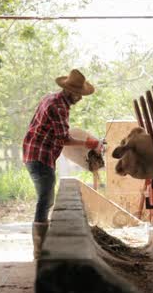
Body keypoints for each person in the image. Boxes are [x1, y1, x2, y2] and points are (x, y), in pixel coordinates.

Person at [22, 69, 102, 259]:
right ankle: (39, 252)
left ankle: (41, 247)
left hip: (34, 152)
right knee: (45, 199)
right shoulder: (59, 107)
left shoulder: (50, 98)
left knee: (46, 198)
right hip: (40, 156)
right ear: (70, 92)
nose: (80, 99)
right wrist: (88, 143)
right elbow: (62, 139)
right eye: (79, 95)